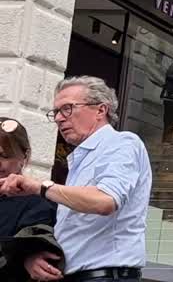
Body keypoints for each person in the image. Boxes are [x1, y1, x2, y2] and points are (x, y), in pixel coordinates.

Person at [0, 77, 152, 282]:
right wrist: (32, 258)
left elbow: (105, 201)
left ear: (101, 110)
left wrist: (40, 187)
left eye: (67, 109)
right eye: (56, 112)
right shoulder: (81, 160)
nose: (59, 118)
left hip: (105, 275)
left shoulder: (121, 143)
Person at [0, 118, 59, 278]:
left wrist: (27, 258)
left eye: (4, 156)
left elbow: (35, 246)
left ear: (24, 157)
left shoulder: (38, 204)